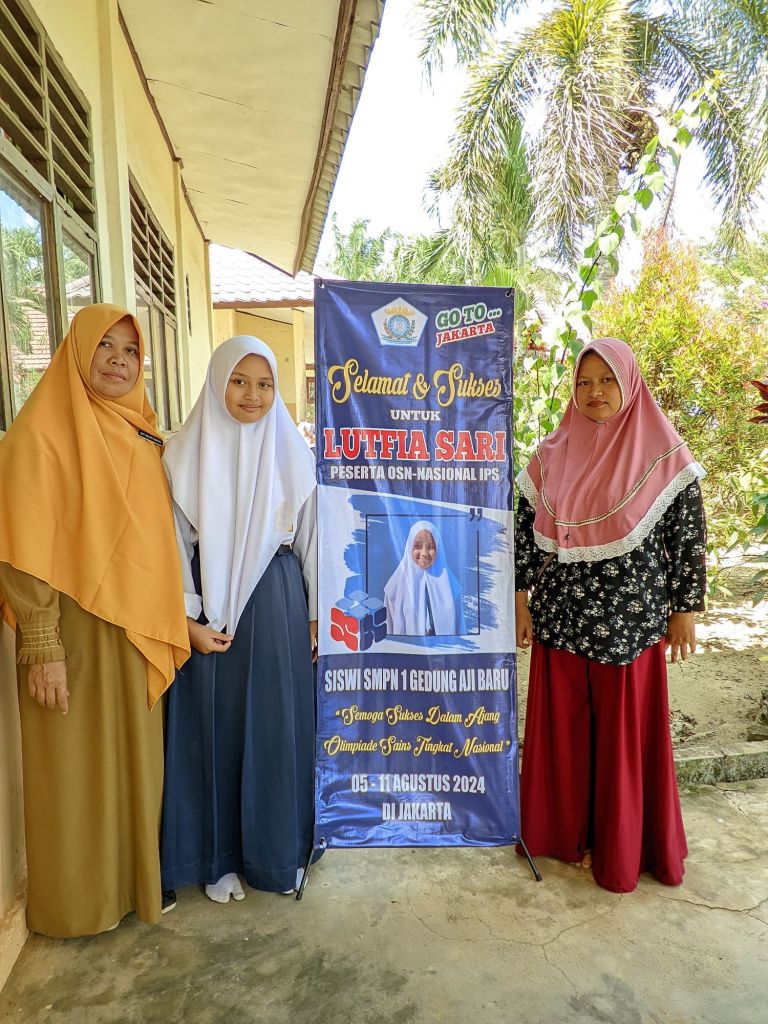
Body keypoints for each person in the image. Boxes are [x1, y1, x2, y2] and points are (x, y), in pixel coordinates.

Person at [0, 304, 190, 937]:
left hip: (134, 629)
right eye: (104, 345)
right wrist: (43, 642)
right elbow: (21, 545)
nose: (118, 359)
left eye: (130, 350)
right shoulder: (39, 434)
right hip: (72, 631)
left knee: (136, 763)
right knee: (73, 768)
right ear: (77, 351)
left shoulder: (143, 434)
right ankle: (77, 907)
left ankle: (131, 890)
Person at [514, 337, 706, 894]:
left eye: (607, 380)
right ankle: (564, 836)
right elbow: (523, 533)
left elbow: (687, 537)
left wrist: (684, 610)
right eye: (584, 381)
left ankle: (620, 848)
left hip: (628, 623)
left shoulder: (663, 454)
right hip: (561, 619)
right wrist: (522, 601)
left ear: (630, 385)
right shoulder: (551, 453)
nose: (594, 391)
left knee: (622, 740)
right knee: (566, 734)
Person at [160, 335, 318, 903]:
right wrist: (186, 620)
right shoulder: (181, 454)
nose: (253, 395)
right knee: (213, 731)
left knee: (274, 728)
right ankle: (215, 860)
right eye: (240, 381)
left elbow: (312, 541)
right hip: (209, 611)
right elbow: (171, 545)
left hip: (274, 606)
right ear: (217, 381)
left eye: (265, 384)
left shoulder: (293, 455)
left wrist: (314, 618)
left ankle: (278, 853)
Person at [384, 519, 465, 636]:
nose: (424, 553)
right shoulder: (395, 587)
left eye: (431, 547)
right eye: (417, 546)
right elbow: (388, 628)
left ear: (438, 549)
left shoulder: (452, 587)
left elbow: (460, 628)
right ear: (409, 547)